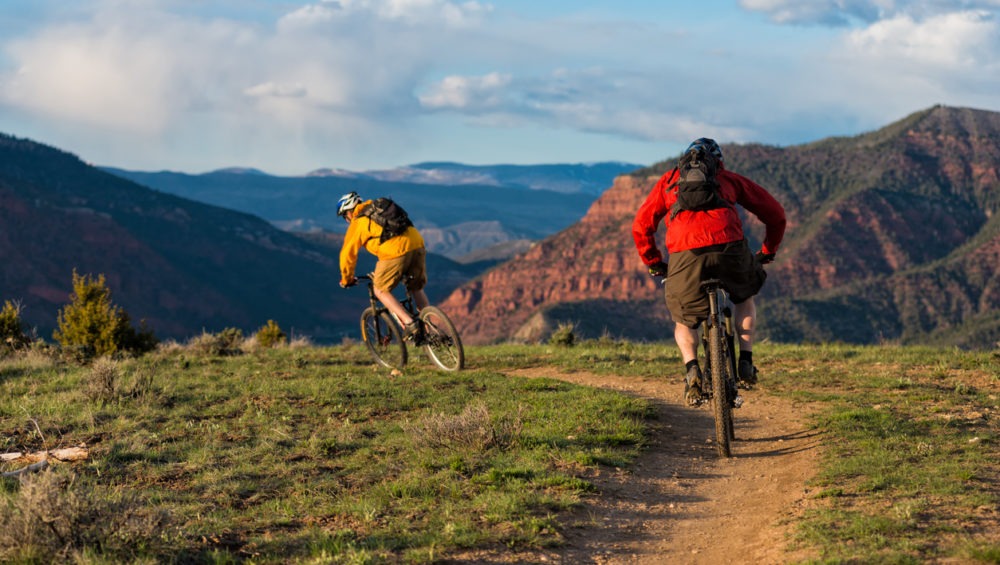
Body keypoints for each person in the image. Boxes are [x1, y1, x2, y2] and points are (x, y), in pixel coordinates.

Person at [632, 138, 786, 406]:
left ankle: (692, 371)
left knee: (683, 319)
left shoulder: (669, 182)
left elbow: (641, 226)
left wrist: (654, 261)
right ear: (718, 162)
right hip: (730, 250)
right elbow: (775, 214)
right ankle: (746, 361)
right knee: (744, 297)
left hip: (685, 255)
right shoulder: (728, 179)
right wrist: (768, 250)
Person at [337, 191, 430, 340]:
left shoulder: (358, 222)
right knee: (416, 286)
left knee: (380, 289)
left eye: (344, 216)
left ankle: (410, 323)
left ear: (349, 211)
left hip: (395, 251)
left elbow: (347, 255)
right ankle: (429, 327)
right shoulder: (380, 208)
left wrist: (347, 279)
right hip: (417, 242)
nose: (346, 220)